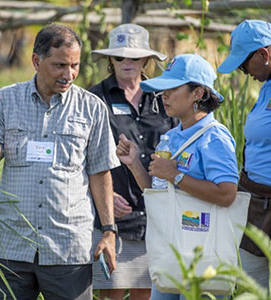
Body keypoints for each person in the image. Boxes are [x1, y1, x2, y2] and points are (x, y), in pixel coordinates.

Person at [0, 23, 120, 300]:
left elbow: (100, 172)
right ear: (36, 61)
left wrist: (109, 231)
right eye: (60, 65)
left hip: (68, 249)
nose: (69, 75)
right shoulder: (5, 100)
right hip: (12, 247)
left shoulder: (92, 108)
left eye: (75, 65)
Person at [116, 53, 239, 300]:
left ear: (199, 93)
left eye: (172, 88)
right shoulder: (171, 137)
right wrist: (135, 165)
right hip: (170, 253)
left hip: (204, 257)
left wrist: (177, 176)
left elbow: (227, 195)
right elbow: (160, 192)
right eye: (163, 90)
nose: (164, 96)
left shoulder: (214, 137)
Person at [90, 24, 177, 300]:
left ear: (146, 60)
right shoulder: (95, 99)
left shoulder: (166, 99)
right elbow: (80, 156)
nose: (127, 63)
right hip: (113, 221)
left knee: (149, 293)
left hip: (158, 218)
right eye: (119, 57)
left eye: (134, 56)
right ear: (110, 60)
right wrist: (103, 197)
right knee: (110, 293)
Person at [218, 19, 271, 289]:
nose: (242, 71)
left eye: (243, 64)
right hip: (257, 203)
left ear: (264, 54)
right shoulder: (266, 89)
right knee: (250, 290)